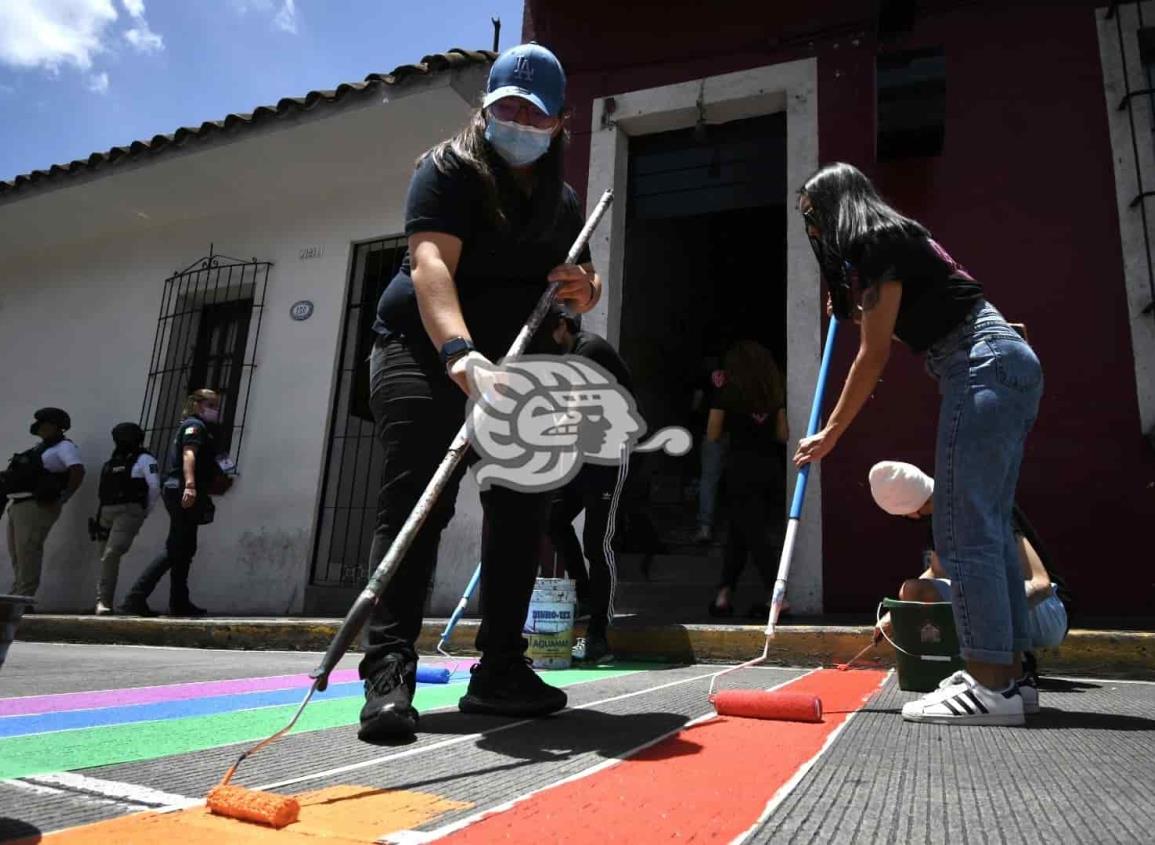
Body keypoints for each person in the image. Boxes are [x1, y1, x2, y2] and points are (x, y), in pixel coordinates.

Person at [360, 42, 602, 742]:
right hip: (421, 346)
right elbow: (430, 261)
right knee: (417, 501)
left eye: (534, 113)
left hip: (516, 362)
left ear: (559, 123)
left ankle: (499, 669)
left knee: (523, 504)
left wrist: (585, 291)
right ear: (486, 110)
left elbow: (577, 285)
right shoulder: (446, 169)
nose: (518, 121)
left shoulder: (562, 202)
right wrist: (460, 356)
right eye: (506, 109)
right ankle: (389, 671)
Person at [793, 162, 1044, 725]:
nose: (812, 230)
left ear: (837, 206)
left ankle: (989, 685)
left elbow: (873, 355)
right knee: (991, 529)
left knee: (962, 528)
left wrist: (831, 433)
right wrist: (860, 307)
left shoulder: (874, 240)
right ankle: (1009, 676)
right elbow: (903, 316)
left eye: (812, 216)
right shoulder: (904, 237)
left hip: (978, 364)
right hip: (1002, 363)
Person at [868, 461, 1072, 713]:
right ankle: (991, 668)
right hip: (1001, 602)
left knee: (974, 584)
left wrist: (987, 612)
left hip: (1047, 610)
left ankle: (1002, 669)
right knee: (915, 591)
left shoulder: (978, 505)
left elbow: (1039, 584)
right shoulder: (943, 515)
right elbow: (935, 574)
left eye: (922, 508)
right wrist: (896, 614)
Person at [534, 306, 634, 664]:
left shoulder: (589, 349)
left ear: (562, 326)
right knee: (553, 520)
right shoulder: (571, 356)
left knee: (597, 542)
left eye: (549, 331)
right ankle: (586, 595)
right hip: (581, 458)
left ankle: (599, 636)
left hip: (608, 458)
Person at [119, 390, 230, 618]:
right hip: (182, 488)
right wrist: (190, 485)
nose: (215, 409)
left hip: (183, 488)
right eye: (211, 404)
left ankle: (179, 601)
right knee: (177, 547)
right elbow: (189, 455)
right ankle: (135, 597)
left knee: (185, 548)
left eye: (217, 405)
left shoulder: (204, 429)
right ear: (198, 405)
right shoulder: (194, 427)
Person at [704, 340, 788, 619]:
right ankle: (723, 596)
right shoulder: (774, 394)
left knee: (754, 535)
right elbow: (783, 435)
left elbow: (713, 433)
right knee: (738, 534)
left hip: (740, 468)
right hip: (769, 468)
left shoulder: (727, 394)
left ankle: (778, 598)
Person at [2, 408, 85, 605]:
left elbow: (77, 470)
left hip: (36, 506)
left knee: (28, 551)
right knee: (18, 554)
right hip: (18, 504)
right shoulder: (41, 448)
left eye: (46, 424)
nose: (41, 427)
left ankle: (24, 599)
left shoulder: (64, 447)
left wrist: (64, 497)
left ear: (57, 426)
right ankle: (16, 595)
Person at [91, 423, 161, 615]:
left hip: (128, 511)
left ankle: (103, 602)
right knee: (104, 557)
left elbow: (154, 486)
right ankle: (101, 600)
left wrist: (145, 510)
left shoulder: (145, 459)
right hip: (106, 512)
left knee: (111, 555)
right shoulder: (113, 461)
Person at [690, 333, 729, 545]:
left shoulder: (703, 374)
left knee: (708, 480)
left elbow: (696, 404)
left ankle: (705, 528)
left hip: (710, 432)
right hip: (736, 431)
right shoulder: (738, 371)